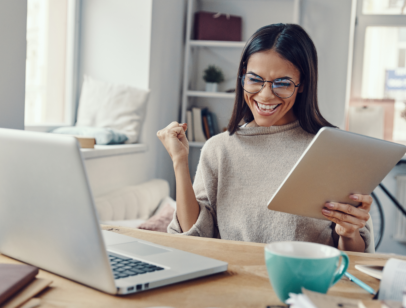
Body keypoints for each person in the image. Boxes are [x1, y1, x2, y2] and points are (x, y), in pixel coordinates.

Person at [157, 23, 373, 253]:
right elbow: (193, 236)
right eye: (255, 80)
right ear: (242, 78)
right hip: (233, 282)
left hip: (304, 284)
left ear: (303, 85)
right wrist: (179, 162)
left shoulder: (331, 149)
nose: (265, 95)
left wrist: (349, 232)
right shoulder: (218, 149)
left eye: (282, 83)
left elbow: (354, 258)